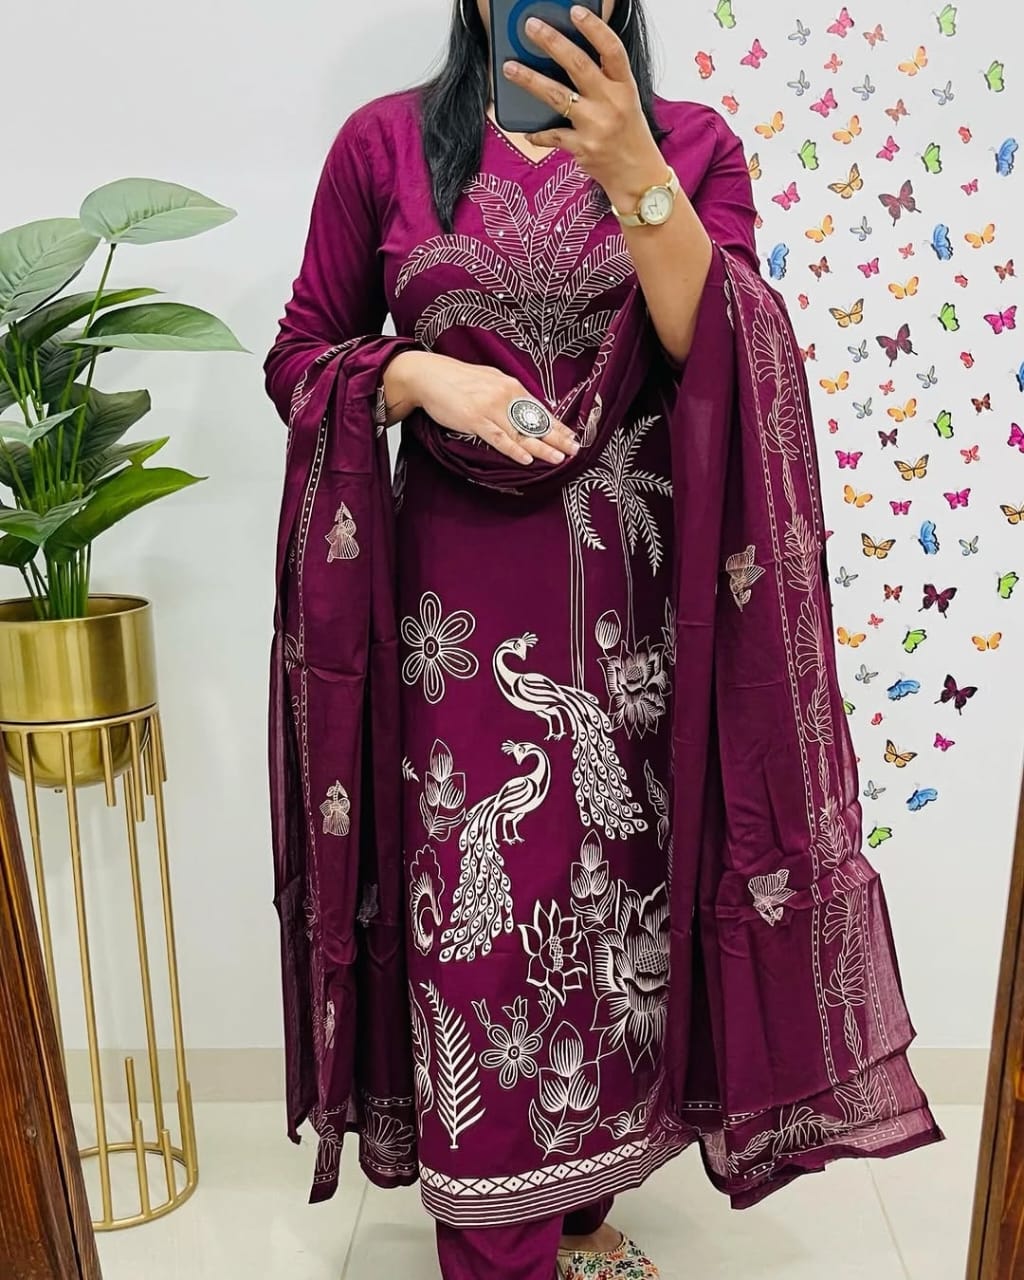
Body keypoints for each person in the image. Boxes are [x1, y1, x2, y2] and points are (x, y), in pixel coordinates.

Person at [263, 3, 945, 1278]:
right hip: (450, 631)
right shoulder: (384, 147)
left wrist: (633, 169)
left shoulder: (690, 145)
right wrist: (418, 376)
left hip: (637, 626)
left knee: (617, 918)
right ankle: (500, 1237)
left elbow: (720, 349)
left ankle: (575, 1202)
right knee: (478, 919)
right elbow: (302, 356)